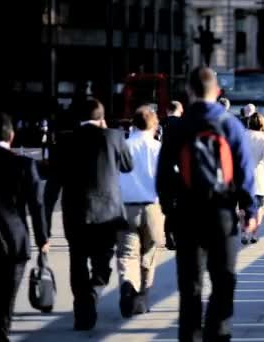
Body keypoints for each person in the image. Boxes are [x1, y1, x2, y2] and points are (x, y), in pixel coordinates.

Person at [156, 66, 257, 342]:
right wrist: (250, 209)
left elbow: (163, 174)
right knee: (224, 280)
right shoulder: (231, 125)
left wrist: (169, 209)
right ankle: (218, 332)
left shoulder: (178, 127)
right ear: (218, 91)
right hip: (222, 213)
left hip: (188, 213)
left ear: (189, 92)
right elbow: (244, 172)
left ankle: (190, 335)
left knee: (190, 285)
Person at [45, 98, 133, 331]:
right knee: (102, 263)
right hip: (108, 214)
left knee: (78, 262)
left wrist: (44, 226)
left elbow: (52, 186)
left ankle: (83, 311)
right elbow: (127, 166)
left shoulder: (63, 141)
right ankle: (93, 293)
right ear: (102, 118)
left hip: (76, 213)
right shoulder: (114, 137)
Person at [0, 112, 50, 342]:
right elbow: (37, 205)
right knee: (6, 300)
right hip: (13, 241)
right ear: (12, 136)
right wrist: (42, 239)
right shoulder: (24, 164)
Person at [117, 106, 165, 318]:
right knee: (149, 253)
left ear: (132, 124)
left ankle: (128, 282)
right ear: (154, 125)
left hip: (126, 207)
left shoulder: (122, 146)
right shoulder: (157, 148)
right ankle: (142, 298)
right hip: (152, 206)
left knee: (127, 254)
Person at [244, 113, 264, 244]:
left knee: (243, 208)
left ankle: (244, 232)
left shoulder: (242, 136)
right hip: (259, 177)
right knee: (259, 207)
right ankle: (254, 234)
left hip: (243, 176)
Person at [159, 100, 184, 249]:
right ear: (180, 110)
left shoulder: (159, 124)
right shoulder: (184, 125)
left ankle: (168, 237)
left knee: (167, 207)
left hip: (164, 169)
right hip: (180, 170)